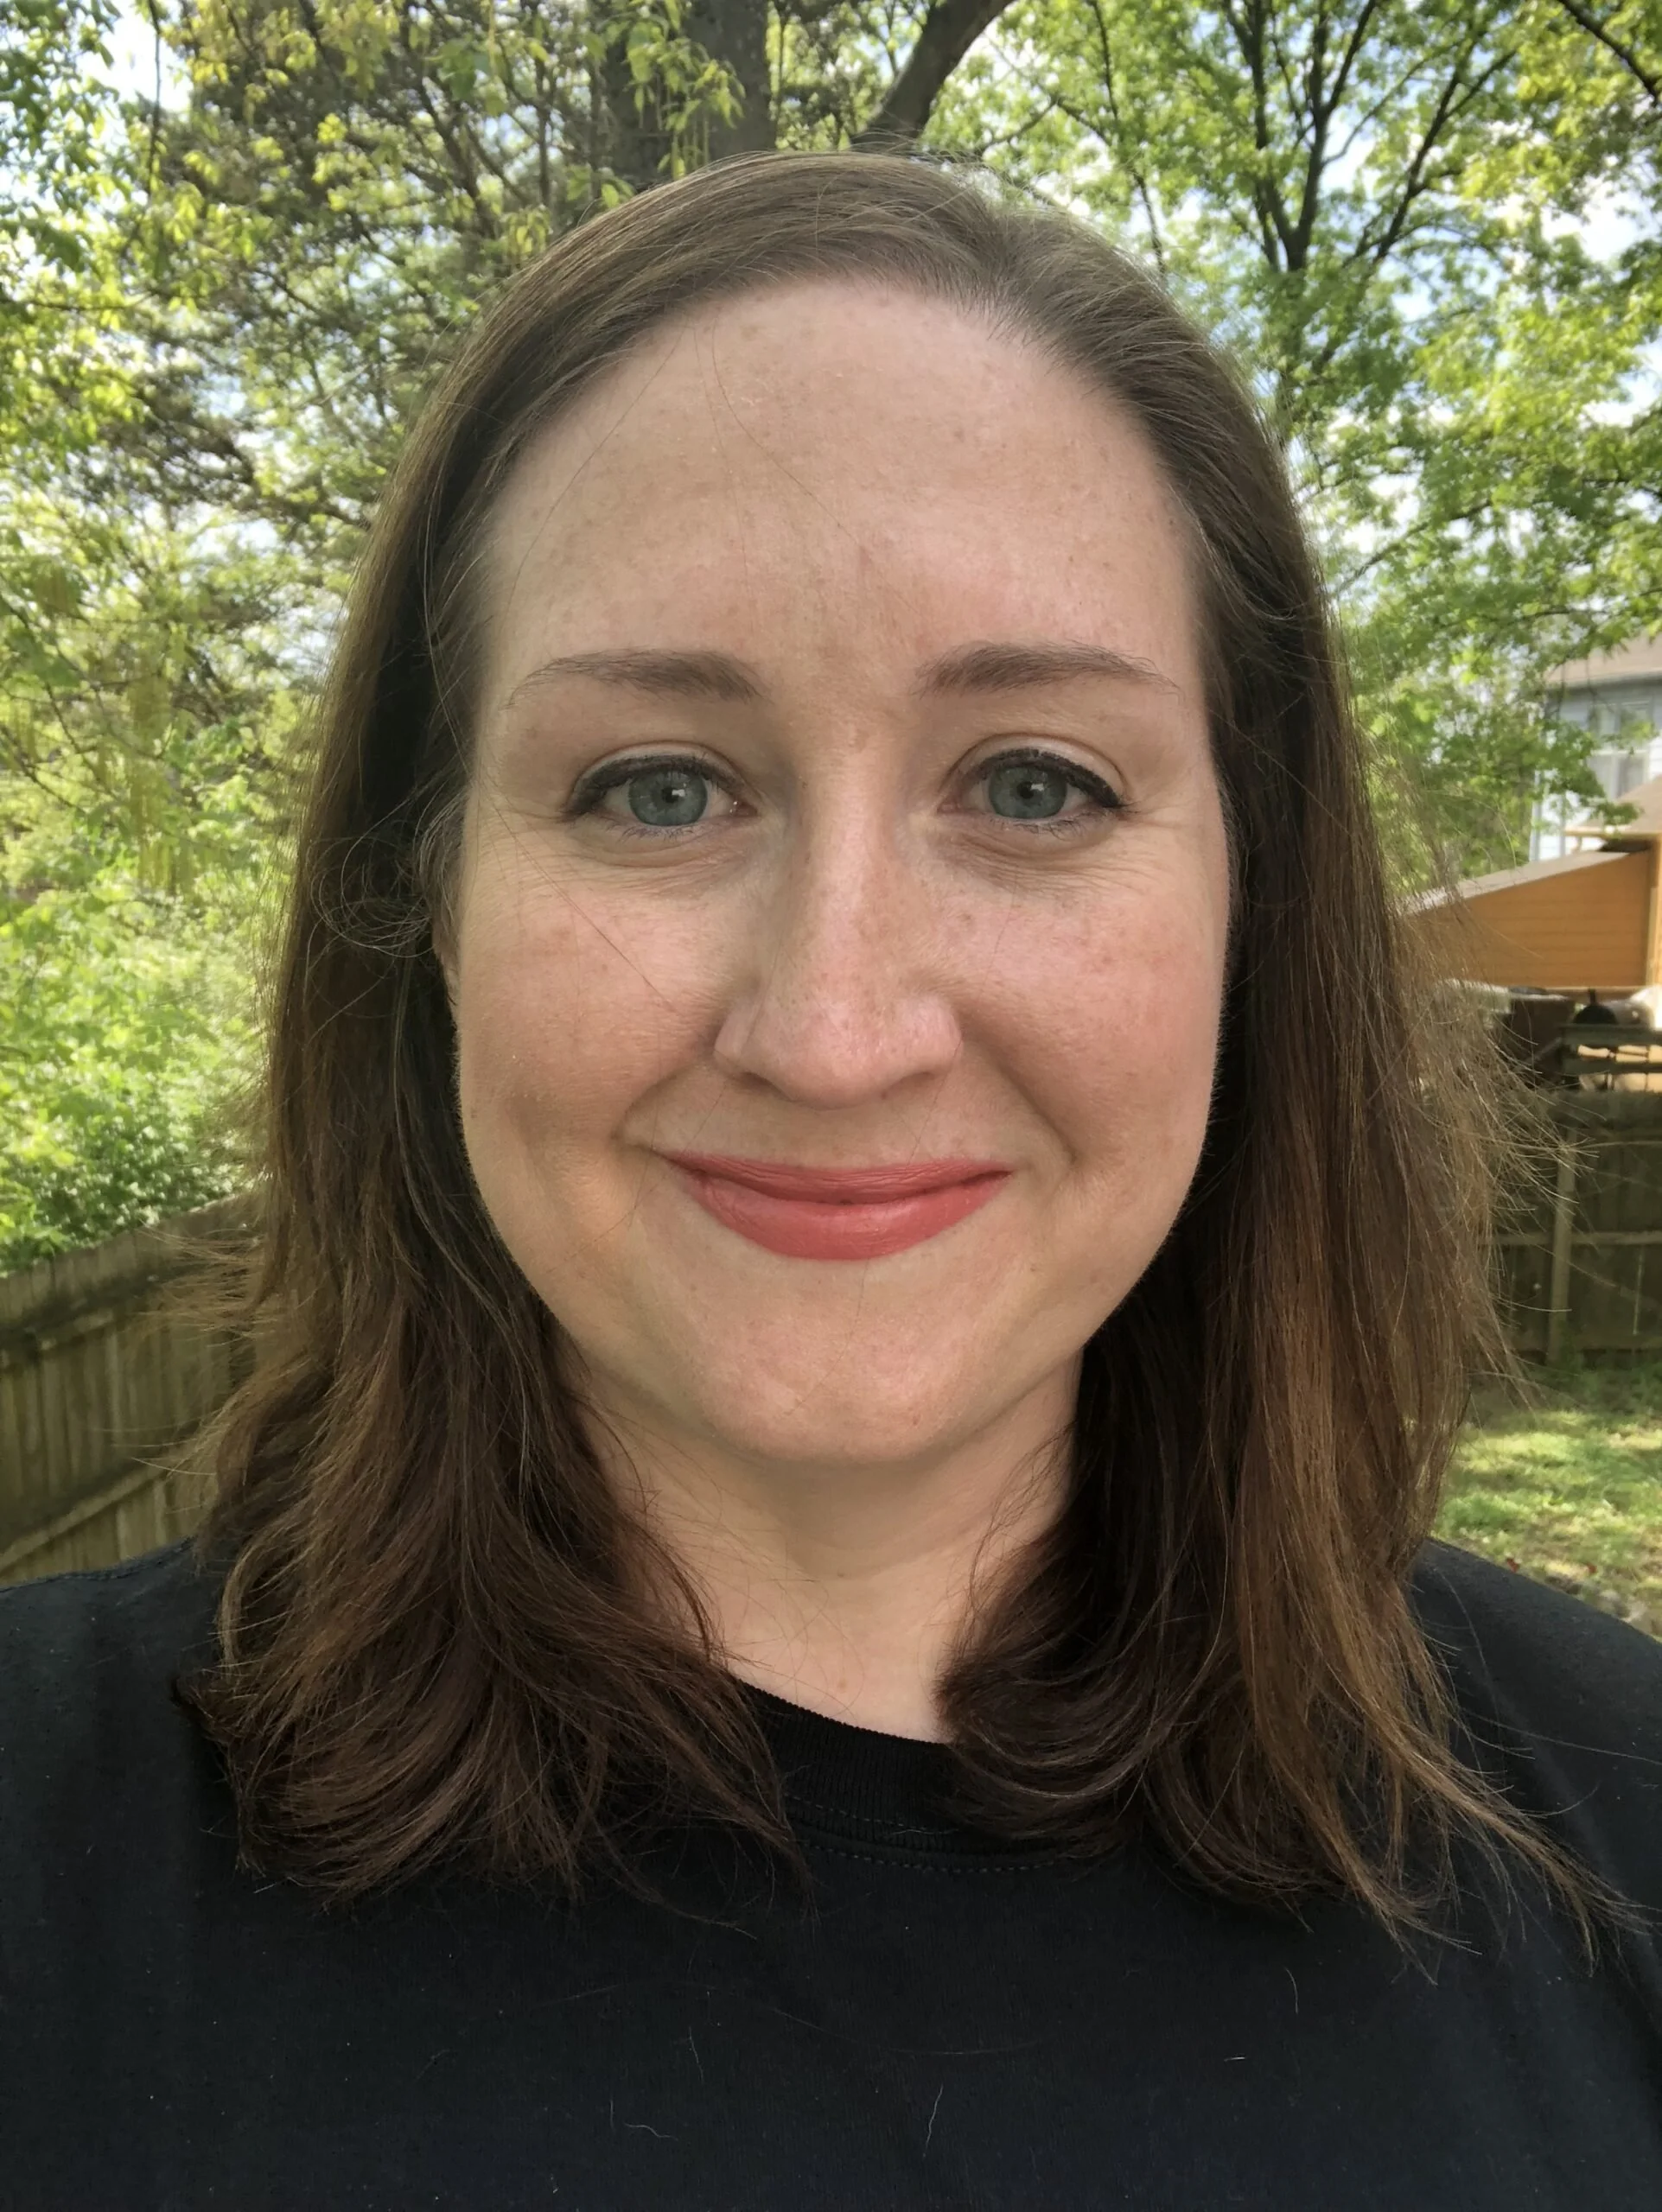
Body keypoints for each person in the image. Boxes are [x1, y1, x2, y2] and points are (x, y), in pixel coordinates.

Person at [2, 151, 1659, 2211]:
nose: (834, 1024)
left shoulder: (1620, 1816)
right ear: (422, 901)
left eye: (1036, 782)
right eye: (656, 787)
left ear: (1256, 900)